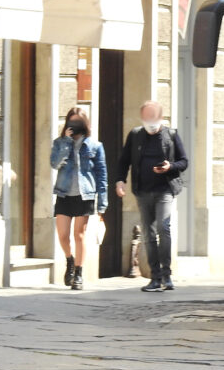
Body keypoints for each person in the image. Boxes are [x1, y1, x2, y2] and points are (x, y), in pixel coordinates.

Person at [116, 101, 188, 292]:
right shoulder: (135, 135)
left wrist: (169, 167)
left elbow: (183, 161)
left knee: (163, 228)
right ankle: (155, 277)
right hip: (142, 191)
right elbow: (124, 161)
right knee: (148, 234)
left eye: (153, 117)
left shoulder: (171, 135)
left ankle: (167, 275)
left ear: (160, 117)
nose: (150, 122)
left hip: (164, 189)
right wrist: (120, 181)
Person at [50, 107, 108, 290]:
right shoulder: (60, 143)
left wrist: (102, 204)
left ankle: (79, 274)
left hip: (85, 195)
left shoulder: (95, 146)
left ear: (84, 124)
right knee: (62, 234)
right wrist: (66, 142)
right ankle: (69, 260)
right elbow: (54, 163)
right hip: (64, 193)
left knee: (79, 235)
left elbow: (102, 175)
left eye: (78, 123)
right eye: (71, 122)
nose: (74, 126)